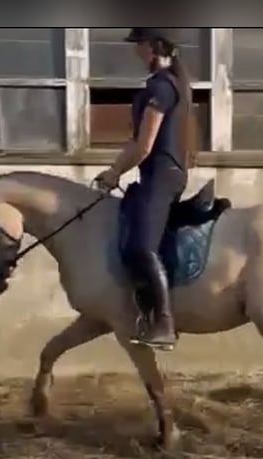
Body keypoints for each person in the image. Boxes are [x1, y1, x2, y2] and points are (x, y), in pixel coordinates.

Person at [94, 28, 194, 351]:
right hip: (161, 174)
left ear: (154, 47)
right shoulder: (165, 85)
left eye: (139, 44)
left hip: (161, 176)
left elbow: (144, 146)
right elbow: (134, 143)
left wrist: (114, 174)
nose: (135, 51)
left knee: (141, 246)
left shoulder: (161, 88)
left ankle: (164, 323)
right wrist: (112, 171)